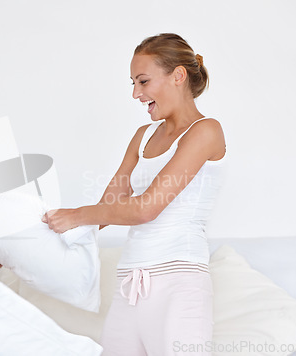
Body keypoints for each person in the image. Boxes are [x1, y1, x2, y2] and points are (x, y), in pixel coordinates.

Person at [43, 33, 226, 355]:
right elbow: (109, 206)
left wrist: (77, 215)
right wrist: (28, 242)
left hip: (178, 284)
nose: (135, 94)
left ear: (178, 76)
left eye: (143, 82)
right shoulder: (142, 136)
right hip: (130, 284)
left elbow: (145, 209)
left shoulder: (206, 131)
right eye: (132, 83)